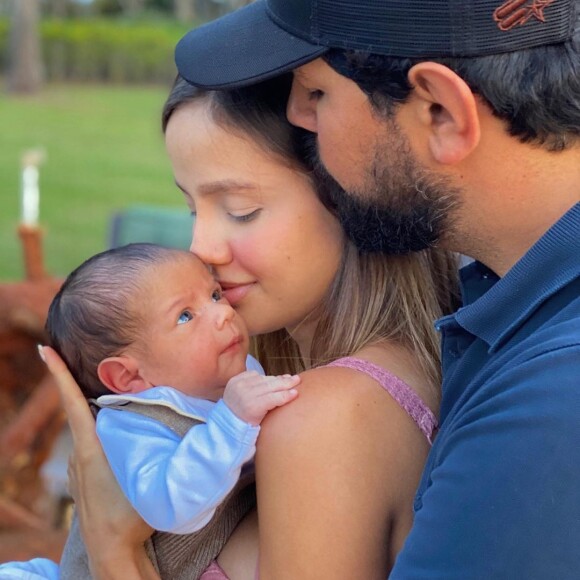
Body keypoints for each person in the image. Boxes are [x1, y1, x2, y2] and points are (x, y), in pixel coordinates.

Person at [167, 0, 580, 577]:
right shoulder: (499, 315)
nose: (298, 114)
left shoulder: (549, 402)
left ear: (441, 111)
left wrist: (112, 549)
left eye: (318, 94)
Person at [33, 72, 460, 580]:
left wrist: (112, 551)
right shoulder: (401, 369)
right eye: (192, 208)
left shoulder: (318, 421)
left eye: (240, 211)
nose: (201, 248)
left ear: (350, 198)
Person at [0, 243, 301, 579]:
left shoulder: (230, 373)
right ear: (128, 376)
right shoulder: (132, 424)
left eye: (215, 295)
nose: (224, 313)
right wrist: (231, 423)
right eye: (185, 316)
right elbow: (169, 506)